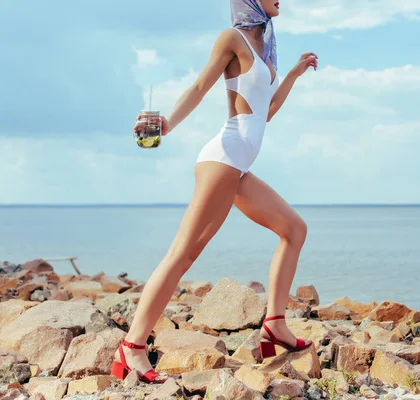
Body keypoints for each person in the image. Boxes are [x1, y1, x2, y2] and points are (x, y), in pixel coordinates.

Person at [111, 0, 319, 384]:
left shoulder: (264, 50)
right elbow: (199, 85)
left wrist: (291, 74)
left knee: (295, 230)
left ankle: (274, 325)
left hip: (238, 167)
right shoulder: (233, 39)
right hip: (223, 158)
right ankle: (133, 347)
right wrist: (168, 124)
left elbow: (267, 109)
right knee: (183, 253)